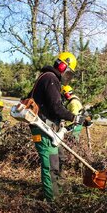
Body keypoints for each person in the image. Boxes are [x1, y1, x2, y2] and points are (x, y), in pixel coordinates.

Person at [27, 52, 90, 202]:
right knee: (51, 165)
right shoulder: (51, 78)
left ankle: (59, 189)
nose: (68, 76)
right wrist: (74, 117)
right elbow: (56, 107)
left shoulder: (46, 78)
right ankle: (52, 201)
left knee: (59, 158)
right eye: (68, 72)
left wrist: (61, 122)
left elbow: (49, 106)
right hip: (42, 128)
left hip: (48, 128)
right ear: (63, 66)